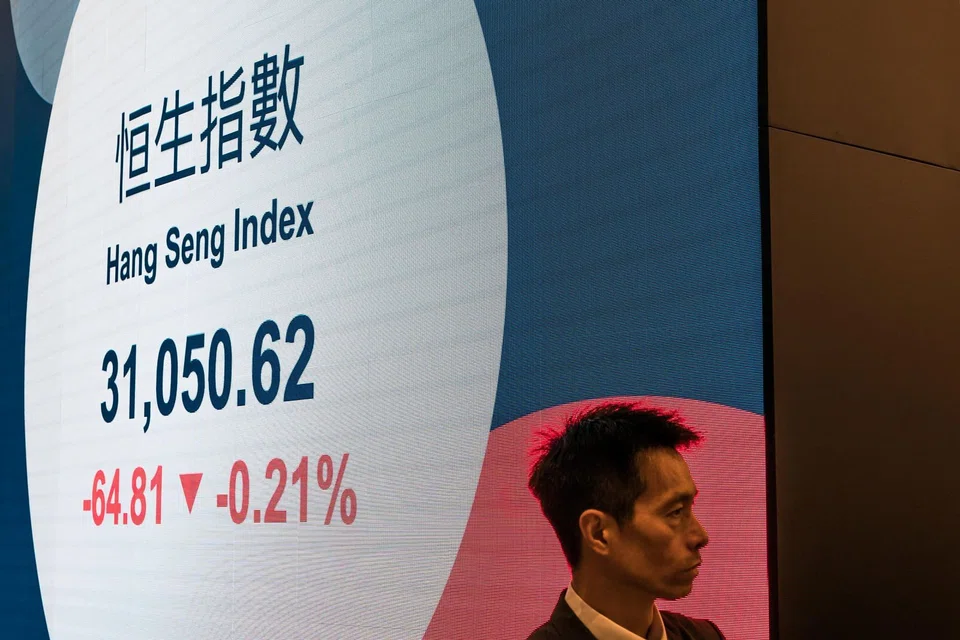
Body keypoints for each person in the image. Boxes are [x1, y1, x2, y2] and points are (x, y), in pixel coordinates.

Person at [526, 402, 725, 640]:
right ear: (599, 533)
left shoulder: (704, 635)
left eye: (690, 508)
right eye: (675, 512)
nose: (700, 536)